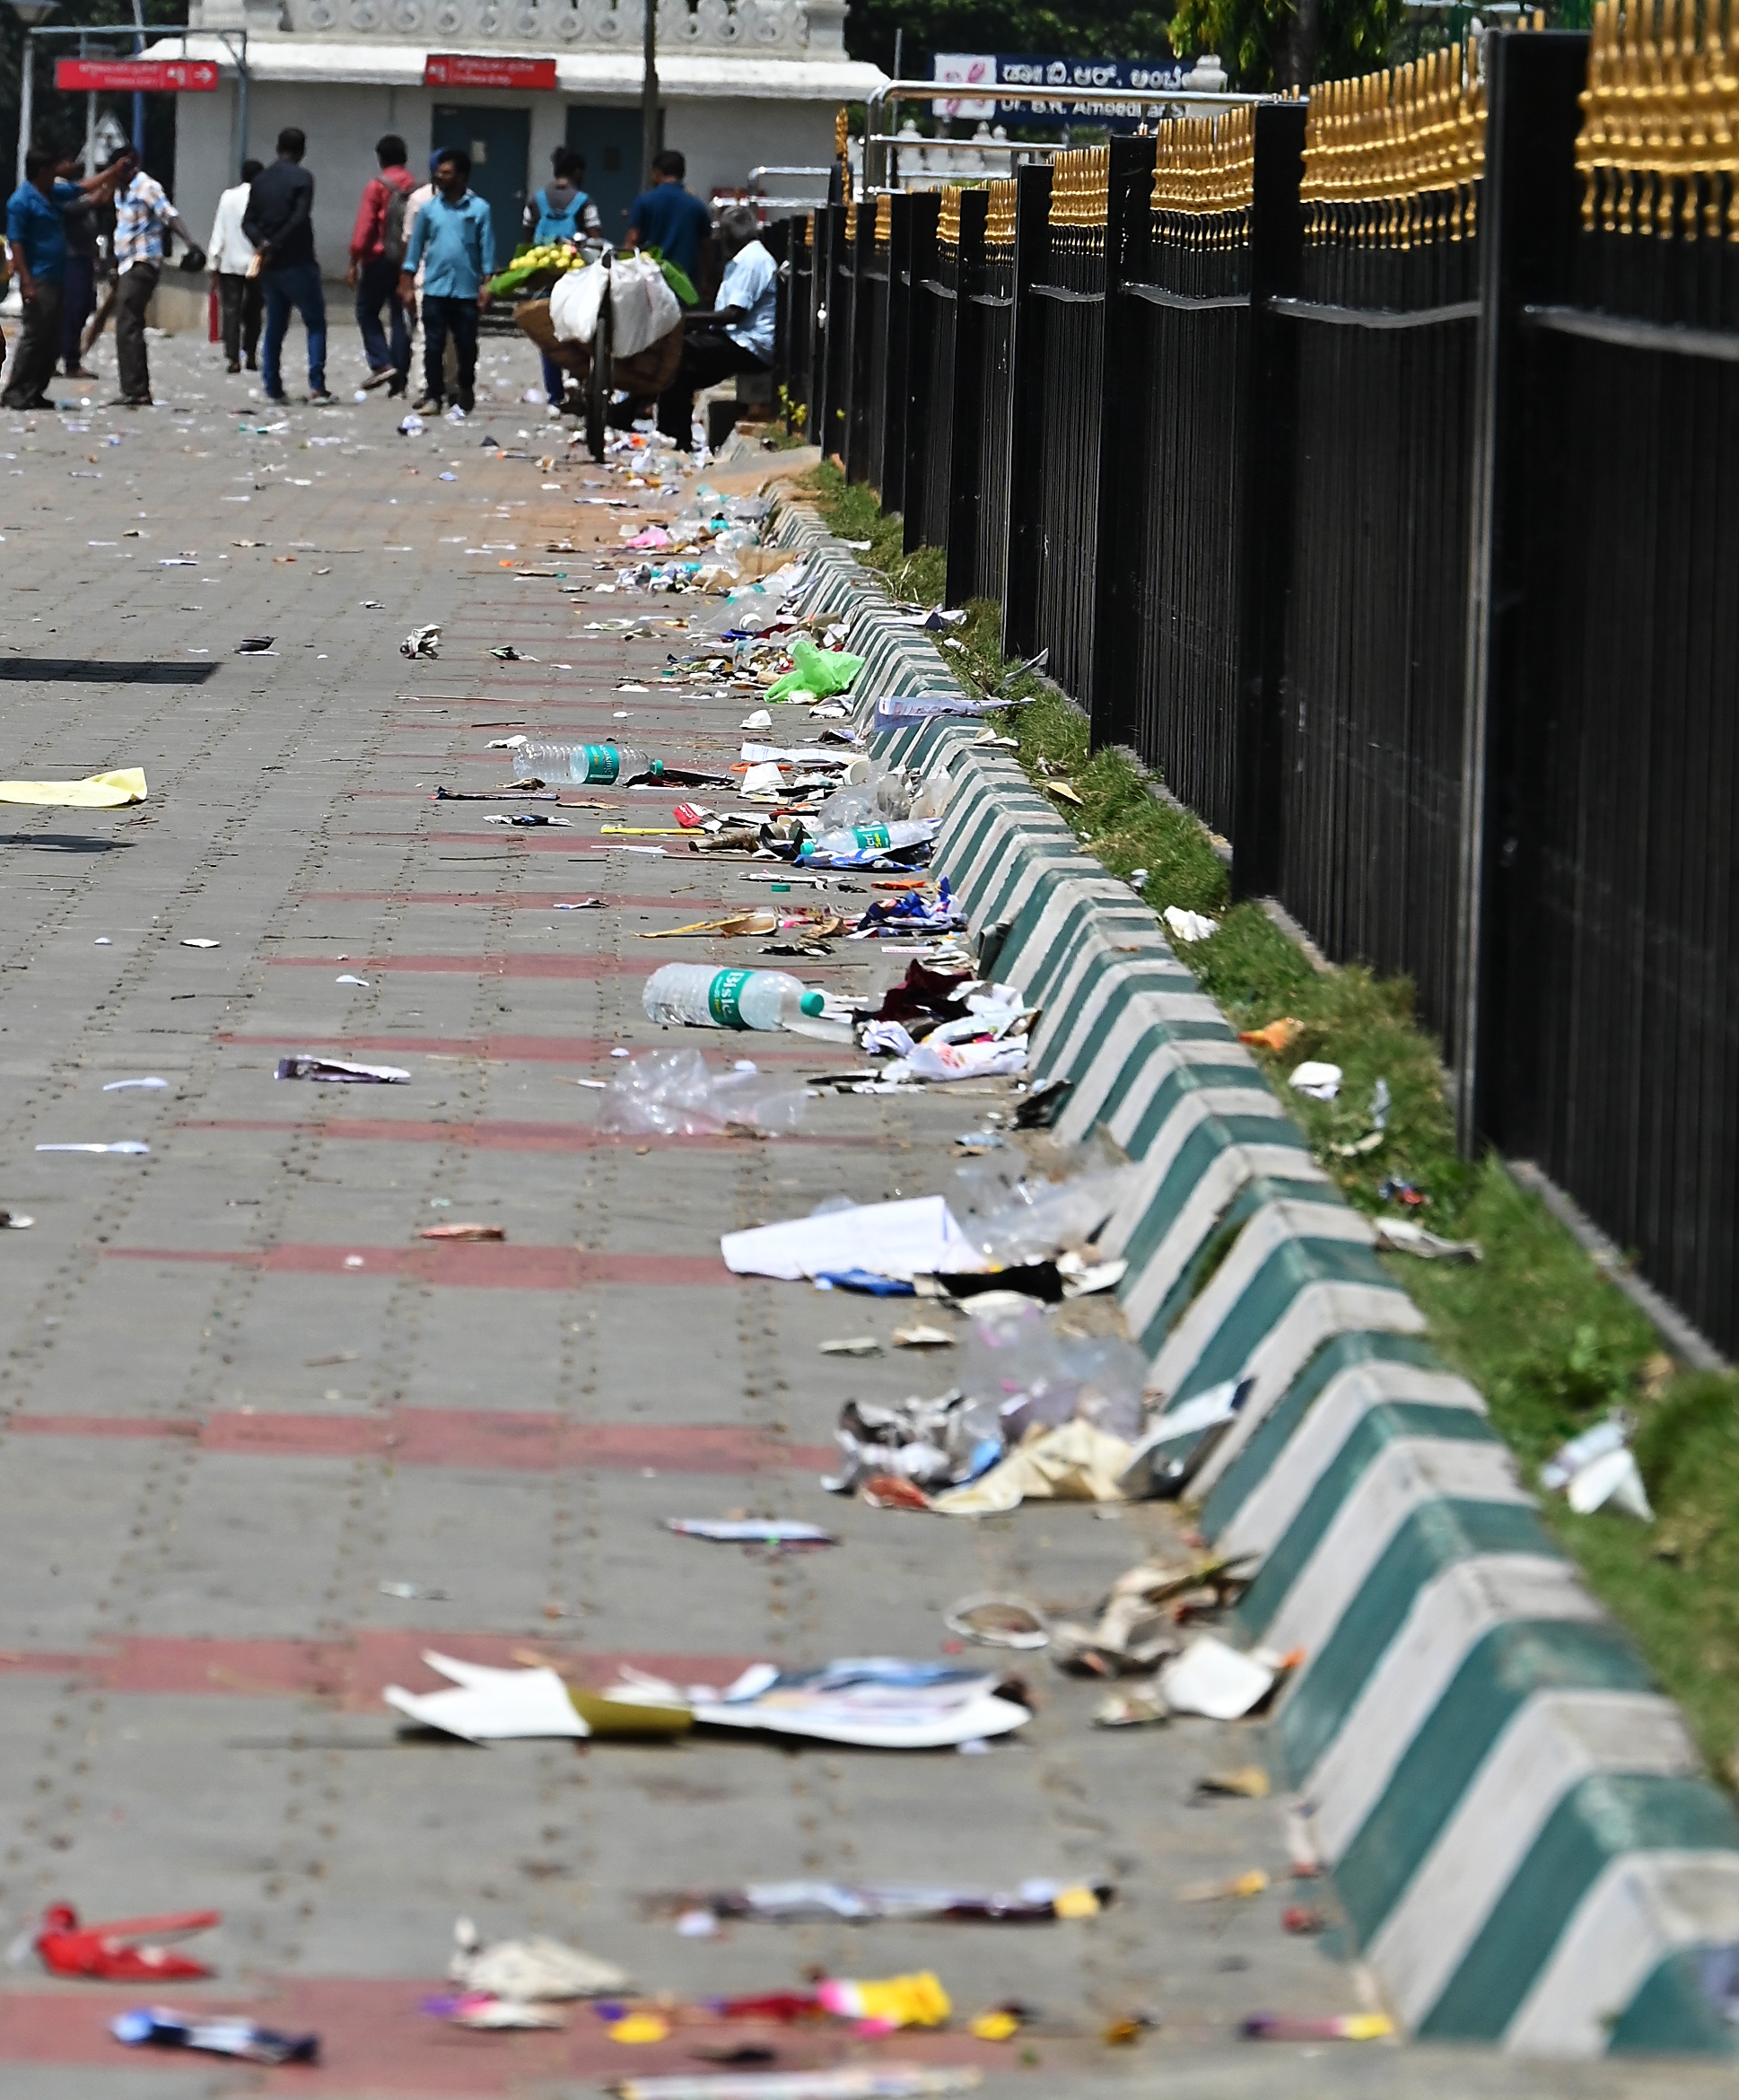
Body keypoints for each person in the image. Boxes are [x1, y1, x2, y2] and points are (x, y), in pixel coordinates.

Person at [5, 148, 127, 410]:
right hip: (39, 278)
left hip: (59, 276)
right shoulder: (21, 202)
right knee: (35, 337)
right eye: (52, 171)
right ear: (41, 172)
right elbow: (16, 243)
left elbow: (82, 188)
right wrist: (26, 282)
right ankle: (16, 390)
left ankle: (35, 390)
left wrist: (112, 172)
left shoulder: (52, 195)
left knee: (52, 339)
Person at [655, 203, 775, 450]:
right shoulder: (746, 259)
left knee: (681, 350)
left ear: (727, 237)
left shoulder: (751, 261)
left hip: (749, 345)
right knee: (682, 372)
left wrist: (688, 319)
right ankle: (678, 436)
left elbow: (734, 314)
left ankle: (669, 429)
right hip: (737, 339)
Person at [398, 148, 494, 416]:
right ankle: (433, 395)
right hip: (435, 288)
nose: (440, 177)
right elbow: (414, 250)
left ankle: (464, 389)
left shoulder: (479, 209)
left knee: (466, 345)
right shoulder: (428, 210)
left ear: (462, 176)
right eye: (439, 173)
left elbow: (487, 253)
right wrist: (406, 283)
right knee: (433, 344)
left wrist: (487, 286)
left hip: (466, 290)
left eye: (447, 173)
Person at [243, 127, 331, 407]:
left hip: (270, 267)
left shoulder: (260, 180)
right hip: (298, 260)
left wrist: (263, 244)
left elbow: (248, 221)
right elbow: (299, 218)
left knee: (275, 324)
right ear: (302, 150)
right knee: (315, 322)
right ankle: (316, 385)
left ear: (277, 147)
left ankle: (272, 386)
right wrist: (277, 244)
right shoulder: (303, 179)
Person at [111, 150, 202, 407]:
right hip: (126, 263)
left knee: (127, 321)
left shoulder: (146, 186)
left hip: (143, 261)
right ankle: (133, 386)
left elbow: (168, 214)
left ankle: (136, 389)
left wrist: (188, 242)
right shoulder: (121, 191)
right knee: (128, 322)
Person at [523, 146, 600, 408]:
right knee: (577, 332)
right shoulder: (584, 201)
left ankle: (554, 395)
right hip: (575, 279)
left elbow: (525, 238)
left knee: (548, 335)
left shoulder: (536, 200)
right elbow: (595, 237)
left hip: (544, 276)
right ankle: (575, 382)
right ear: (578, 172)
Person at [348, 133, 415, 395]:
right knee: (401, 316)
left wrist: (354, 260)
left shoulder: (376, 186)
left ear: (380, 159)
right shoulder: (415, 185)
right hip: (406, 259)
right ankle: (400, 375)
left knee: (366, 311)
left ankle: (381, 362)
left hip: (377, 259)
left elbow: (364, 227)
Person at [206, 157, 264, 373]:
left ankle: (233, 358)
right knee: (254, 311)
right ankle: (250, 354)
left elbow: (219, 231)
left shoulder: (228, 197)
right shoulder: (263, 198)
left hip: (230, 263)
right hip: (256, 263)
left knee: (231, 310)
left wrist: (214, 260)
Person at [626, 150, 712, 282]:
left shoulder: (644, 201)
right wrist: (707, 280)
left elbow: (633, 239)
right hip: (685, 284)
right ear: (683, 173)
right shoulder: (697, 205)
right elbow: (705, 248)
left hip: (650, 282)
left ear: (657, 172)